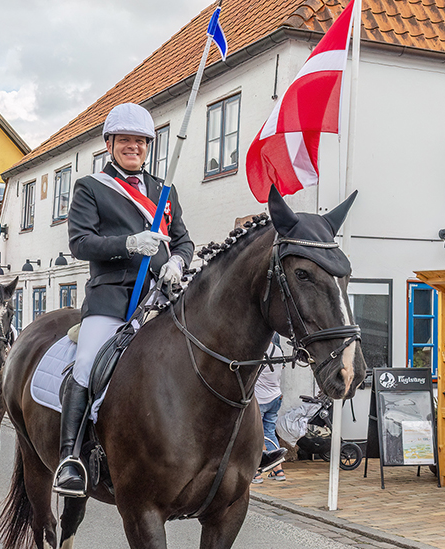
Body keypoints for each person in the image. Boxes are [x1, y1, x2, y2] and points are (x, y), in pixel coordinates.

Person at [54, 102, 288, 497]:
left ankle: (243, 448)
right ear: (110, 144)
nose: (133, 147)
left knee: (216, 354)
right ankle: (70, 458)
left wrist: (178, 261)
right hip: (112, 298)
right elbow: (80, 242)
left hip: (163, 295)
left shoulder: (165, 191)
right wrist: (129, 243)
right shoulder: (90, 188)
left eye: (140, 142)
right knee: (88, 362)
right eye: (125, 140)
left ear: (149, 146)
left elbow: (183, 239)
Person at [254, 335, 286, 483]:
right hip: (275, 397)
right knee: (270, 432)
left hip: (260, 399)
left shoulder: (259, 350)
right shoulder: (279, 351)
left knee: (255, 436)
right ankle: (278, 470)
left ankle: (256, 473)